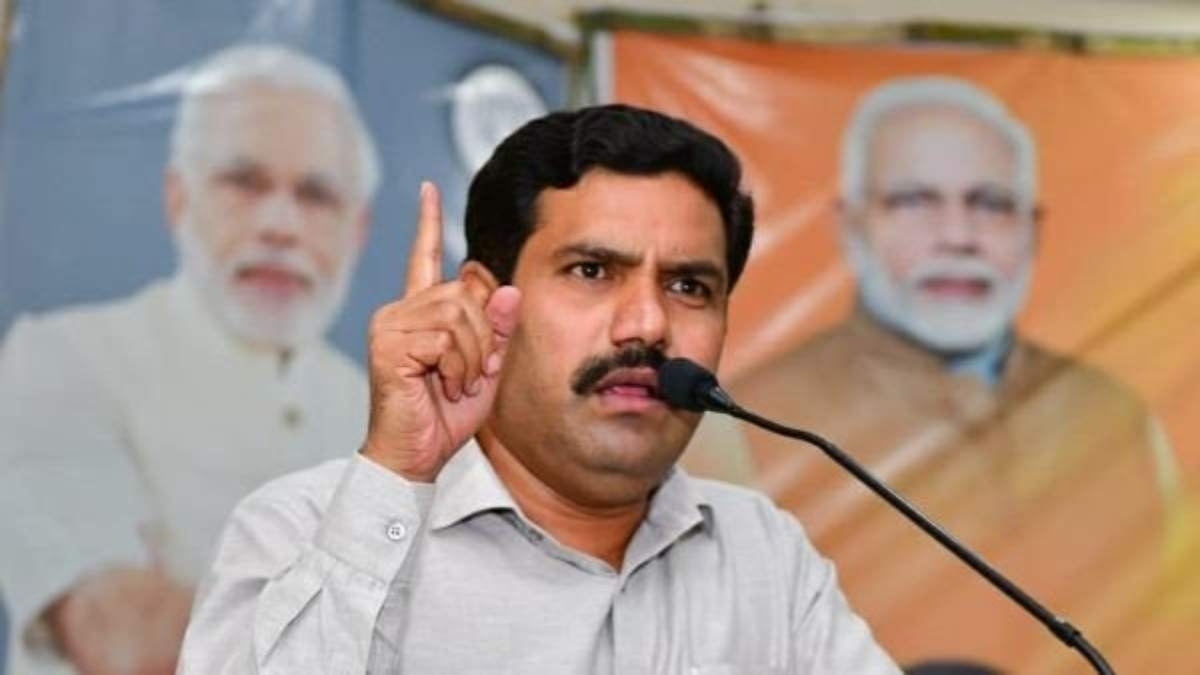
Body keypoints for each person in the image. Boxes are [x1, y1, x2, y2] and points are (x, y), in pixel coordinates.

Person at [177, 104, 900, 674]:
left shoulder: (761, 552)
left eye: (688, 286)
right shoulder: (301, 529)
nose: (648, 324)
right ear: (482, 304)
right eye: (592, 271)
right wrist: (396, 477)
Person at [728, 76, 1185, 671]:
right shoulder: (757, 419)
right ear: (852, 226)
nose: (958, 237)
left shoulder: (1113, 414)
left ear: (1032, 230)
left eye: (990, 204)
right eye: (914, 201)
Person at [0, 44, 380, 675]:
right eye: (244, 183)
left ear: (358, 229)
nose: (281, 225)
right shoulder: (63, 357)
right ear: (178, 198)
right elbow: (118, 632)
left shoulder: (385, 416)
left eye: (316, 195)